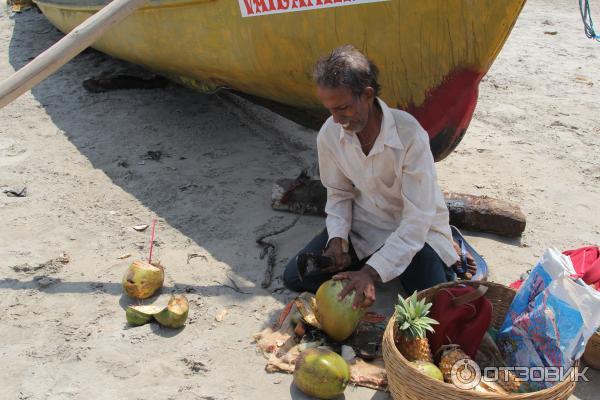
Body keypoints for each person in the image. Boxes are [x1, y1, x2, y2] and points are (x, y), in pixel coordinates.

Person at [283, 45, 473, 308]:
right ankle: (362, 261)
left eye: (344, 108)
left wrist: (370, 273)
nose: (337, 119)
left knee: (433, 303)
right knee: (296, 277)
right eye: (330, 110)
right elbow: (338, 193)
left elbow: (417, 219)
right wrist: (337, 238)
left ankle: (446, 243)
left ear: (368, 95)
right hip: (366, 224)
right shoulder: (329, 135)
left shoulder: (409, 135)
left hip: (414, 230)